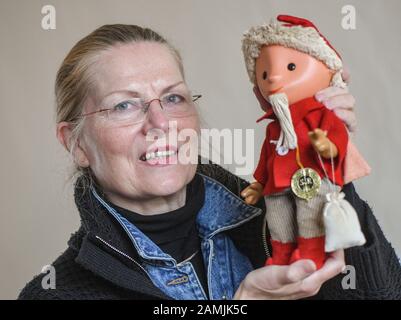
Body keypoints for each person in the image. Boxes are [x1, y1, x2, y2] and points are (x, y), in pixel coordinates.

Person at [19, 24, 401, 300]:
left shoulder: (271, 219)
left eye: (173, 98)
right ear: (77, 143)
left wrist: (323, 166)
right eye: (124, 105)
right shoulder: (58, 291)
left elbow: (383, 293)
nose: (161, 124)